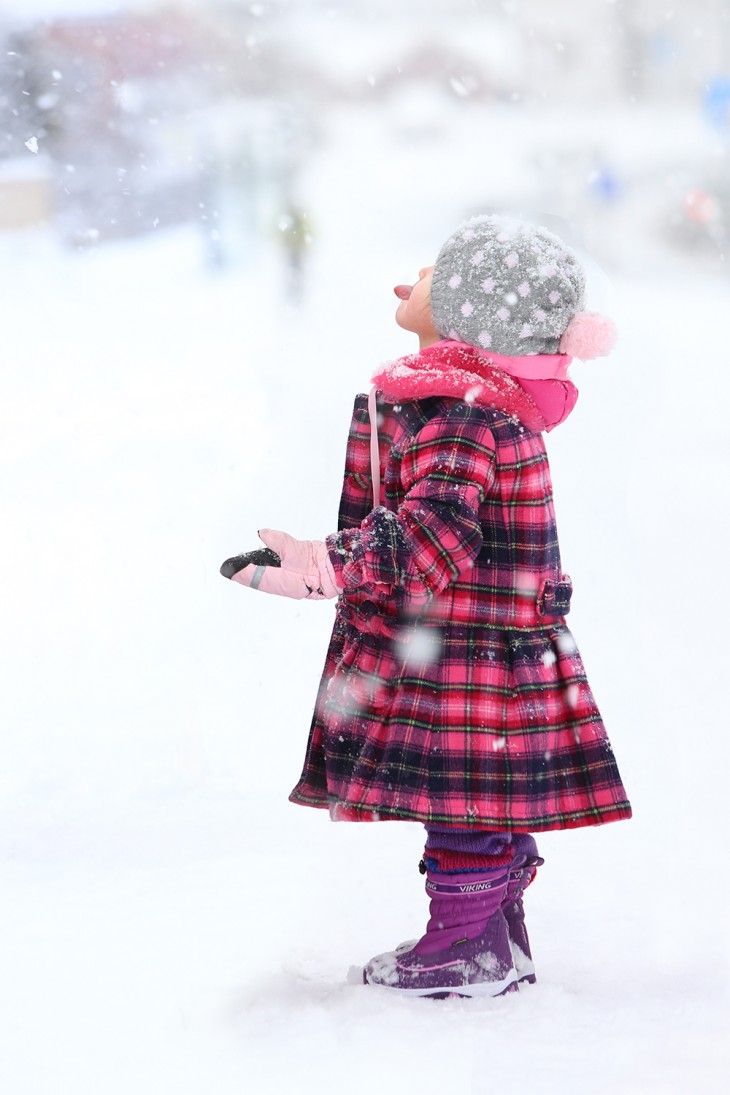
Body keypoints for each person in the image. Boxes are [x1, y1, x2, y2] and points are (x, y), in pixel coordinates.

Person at [221, 214, 632, 999]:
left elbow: (434, 536)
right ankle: (493, 934)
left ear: (469, 315)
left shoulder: (462, 411)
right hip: (480, 640)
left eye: (438, 272)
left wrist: (324, 564)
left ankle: (467, 945)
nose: (416, 277)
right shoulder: (475, 400)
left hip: (464, 651)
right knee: (479, 797)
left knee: (464, 799)